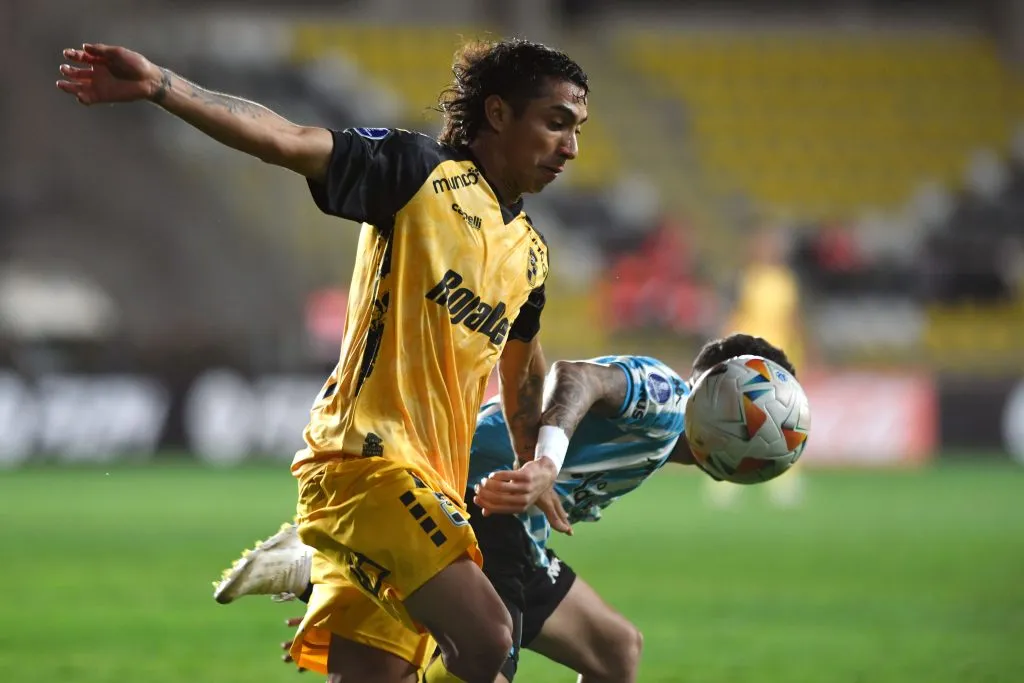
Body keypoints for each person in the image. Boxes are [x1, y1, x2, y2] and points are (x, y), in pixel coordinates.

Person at [58, 38, 589, 683]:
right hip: (365, 467)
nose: (570, 147)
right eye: (556, 122)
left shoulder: (530, 255)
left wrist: (535, 468)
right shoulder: (415, 172)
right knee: (487, 638)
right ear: (499, 113)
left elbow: (524, 377)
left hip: (434, 487)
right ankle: (332, 542)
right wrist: (162, 86)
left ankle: (329, 554)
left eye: (577, 129)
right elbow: (287, 140)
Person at [214, 334, 798, 682]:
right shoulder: (668, 399)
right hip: (477, 499)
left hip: (516, 529)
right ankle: (347, 568)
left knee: (617, 651)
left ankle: (345, 570)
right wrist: (546, 460)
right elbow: (577, 376)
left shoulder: (666, 440)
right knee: (479, 664)